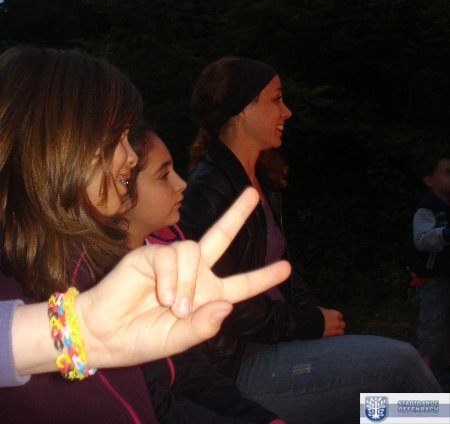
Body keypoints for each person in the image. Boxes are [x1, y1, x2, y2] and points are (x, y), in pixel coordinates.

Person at [0, 46, 290, 421]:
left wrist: (79, 330)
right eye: (115, 134)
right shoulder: (22, 276)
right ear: (55, 139)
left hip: (235, 381)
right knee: (370, 372)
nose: (132, 156)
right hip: (251, 361)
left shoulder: (83, 264)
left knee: (370, 391)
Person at [179, 56, 443, 424]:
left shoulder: (259, 179)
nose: (286, 111)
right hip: (241, 367)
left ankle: (425, 417)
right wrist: (308, 324)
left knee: (375, 406)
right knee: (400, 366)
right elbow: (223, 305)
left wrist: (315, 316)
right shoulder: (210, 190)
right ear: (243, 109)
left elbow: (282, 270)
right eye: (276, 99)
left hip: (275, 344)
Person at [123, 121, 284, 423]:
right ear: (121, 184)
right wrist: (306, 323)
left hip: (219, 385)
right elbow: (152, 403)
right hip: (242, 362)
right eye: (163, 175)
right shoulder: (104, 276)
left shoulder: (168, 244)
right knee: (382, 369)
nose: (181, 183)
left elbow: (188, 367)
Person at [409, 148, 450, 391]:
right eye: (447, 173)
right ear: (429, 180)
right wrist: (444, 234)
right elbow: (421, 239)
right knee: (432, 332)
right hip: (432, 280)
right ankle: (423, 387)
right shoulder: (428, 205)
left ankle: (442, 384)